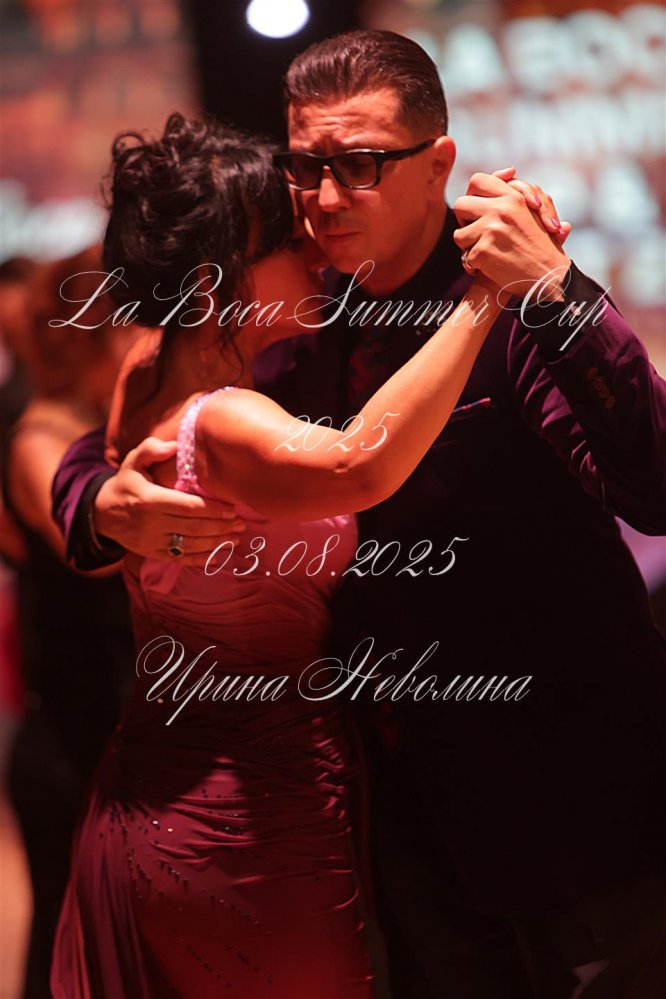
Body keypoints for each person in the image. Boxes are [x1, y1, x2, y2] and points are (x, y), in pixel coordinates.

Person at [52, 32, 666, 998]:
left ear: (439, 165)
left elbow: (655, 486)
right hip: (394, 823)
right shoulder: (286, 306)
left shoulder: (516, 297)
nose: (327, 197)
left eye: (363, 165)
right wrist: (97, 498)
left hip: (573, 809)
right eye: (308, 166)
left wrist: (556, 293)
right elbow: (132, 419)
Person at [49, 111, 518, 999]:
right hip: (247, 822)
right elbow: (359, 465)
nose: (314, 246)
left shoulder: (143, 372)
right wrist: (485, 295)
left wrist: (99, 502)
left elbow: (94, 470)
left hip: (155, 785)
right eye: (284, 236)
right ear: (212, 282)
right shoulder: (226, 419)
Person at [1, 248, 136, 999]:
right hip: (69, 747)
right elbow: (93, 551)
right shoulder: (41, 437)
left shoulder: (109, 429)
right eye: (135, 324)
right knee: (66, 961)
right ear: (93, 337)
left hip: (110, 736)